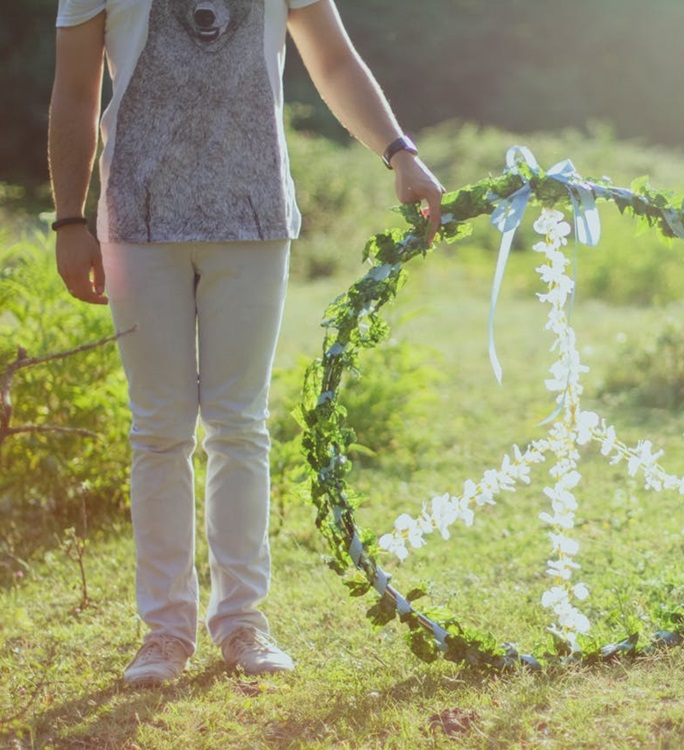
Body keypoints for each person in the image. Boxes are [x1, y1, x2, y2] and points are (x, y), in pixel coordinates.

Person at [49, 0, 444, 687]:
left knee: (239, 425)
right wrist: (68, 219)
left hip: (255, 217)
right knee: (159, 430)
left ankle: (242, 623)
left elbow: (334, 61)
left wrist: (398, 150)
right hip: (136, 222)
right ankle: (163, 632)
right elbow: (76, 90)